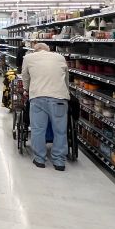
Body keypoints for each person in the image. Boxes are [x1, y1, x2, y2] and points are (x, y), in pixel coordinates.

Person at [21, 42, 70, 171]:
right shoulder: (60, 57)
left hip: (38, 97)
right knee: (60, 131)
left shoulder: (28, 58)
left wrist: (26, 89)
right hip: (59, 97)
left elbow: (25, 77)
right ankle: (59, 161)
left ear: (35, 50)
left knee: (38, 129)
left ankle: (39, 159)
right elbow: (66, 78)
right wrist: (65, 91)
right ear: (48, 50)